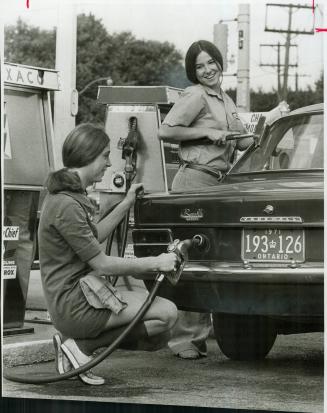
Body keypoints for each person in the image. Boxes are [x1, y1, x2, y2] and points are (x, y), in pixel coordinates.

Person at [38, 123, 179, 385]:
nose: (108, 163)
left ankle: (76, 347)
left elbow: (94, 237)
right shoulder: (66, 204)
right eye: (104, 155)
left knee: (159, 333)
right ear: (87, 155)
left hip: (80, 295)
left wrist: (126, 203)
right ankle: (81, 348)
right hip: (74, 304)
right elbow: (102, 264)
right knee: (166, 314)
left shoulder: (67, 196)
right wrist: (157, 263)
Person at [158, 40, 253, 360]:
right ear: (193, 72)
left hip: (217, 184)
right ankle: (184, 339)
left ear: (220, 62)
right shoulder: (195, 95)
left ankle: (197, 334)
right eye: (199, 66)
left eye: (211, 62)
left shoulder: (225, 100)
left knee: (209, 255)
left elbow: (243, 142)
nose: (208, 69)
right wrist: (204, 135)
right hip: (194, 180)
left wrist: (265, 128)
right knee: (189, 256)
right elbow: (166, 131)